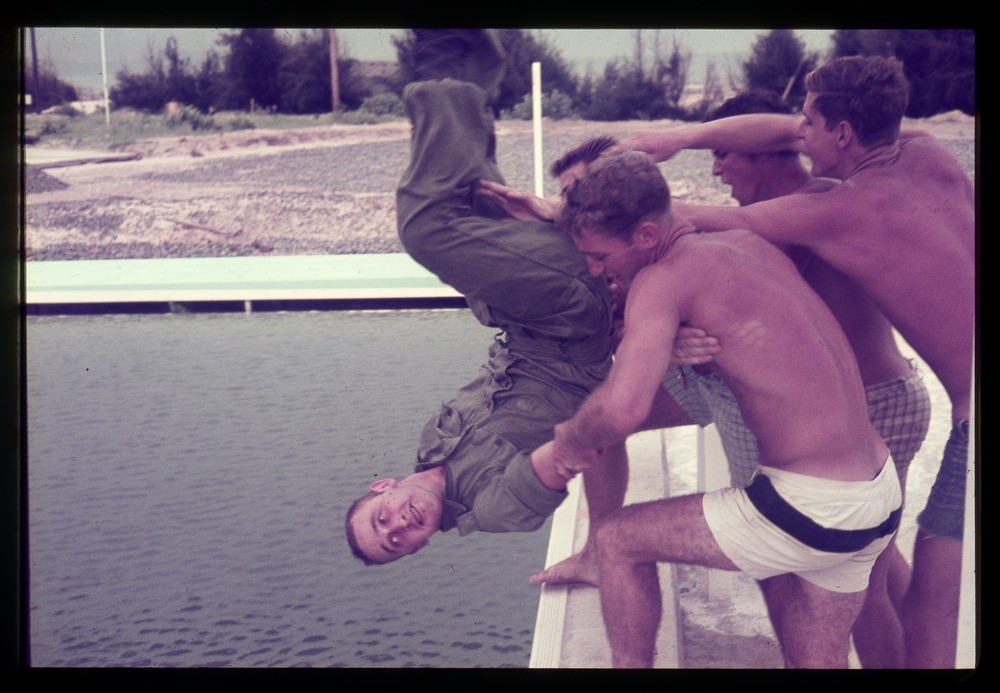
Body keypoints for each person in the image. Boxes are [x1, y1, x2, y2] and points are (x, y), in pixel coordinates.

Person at [619, 56, 974, 669]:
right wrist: (683, 137)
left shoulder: (837, 210)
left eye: (809, 124)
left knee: (920, 601)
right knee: (894, 571)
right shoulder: (929, 156)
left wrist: (583, 215)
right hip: (933, 399)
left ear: (841, 134)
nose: (796, 133)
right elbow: (779, 134)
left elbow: (714, 224)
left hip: (942, 410)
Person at [344, 30, 717, 565]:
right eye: (398, 544)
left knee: (471, 203)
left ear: (383, 487)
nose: (401, 525)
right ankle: (447, 55)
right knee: (426, 229)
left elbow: (503, 369)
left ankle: (465, 60)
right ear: (419, 545)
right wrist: (647, 339)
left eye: (383, 520)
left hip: (525, 322)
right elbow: (570, 448)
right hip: (567, 323)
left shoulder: (433, 442)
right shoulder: (492, 508)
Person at [547, 149, 902, 669]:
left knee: (615, 538)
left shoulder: (660, 279)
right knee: (816, 651)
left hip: (814, 506)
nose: (595, 269)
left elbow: (621, 410)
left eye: (600, 257)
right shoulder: (746, 245)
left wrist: (571, 437)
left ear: (646, 236)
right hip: (876, 493)